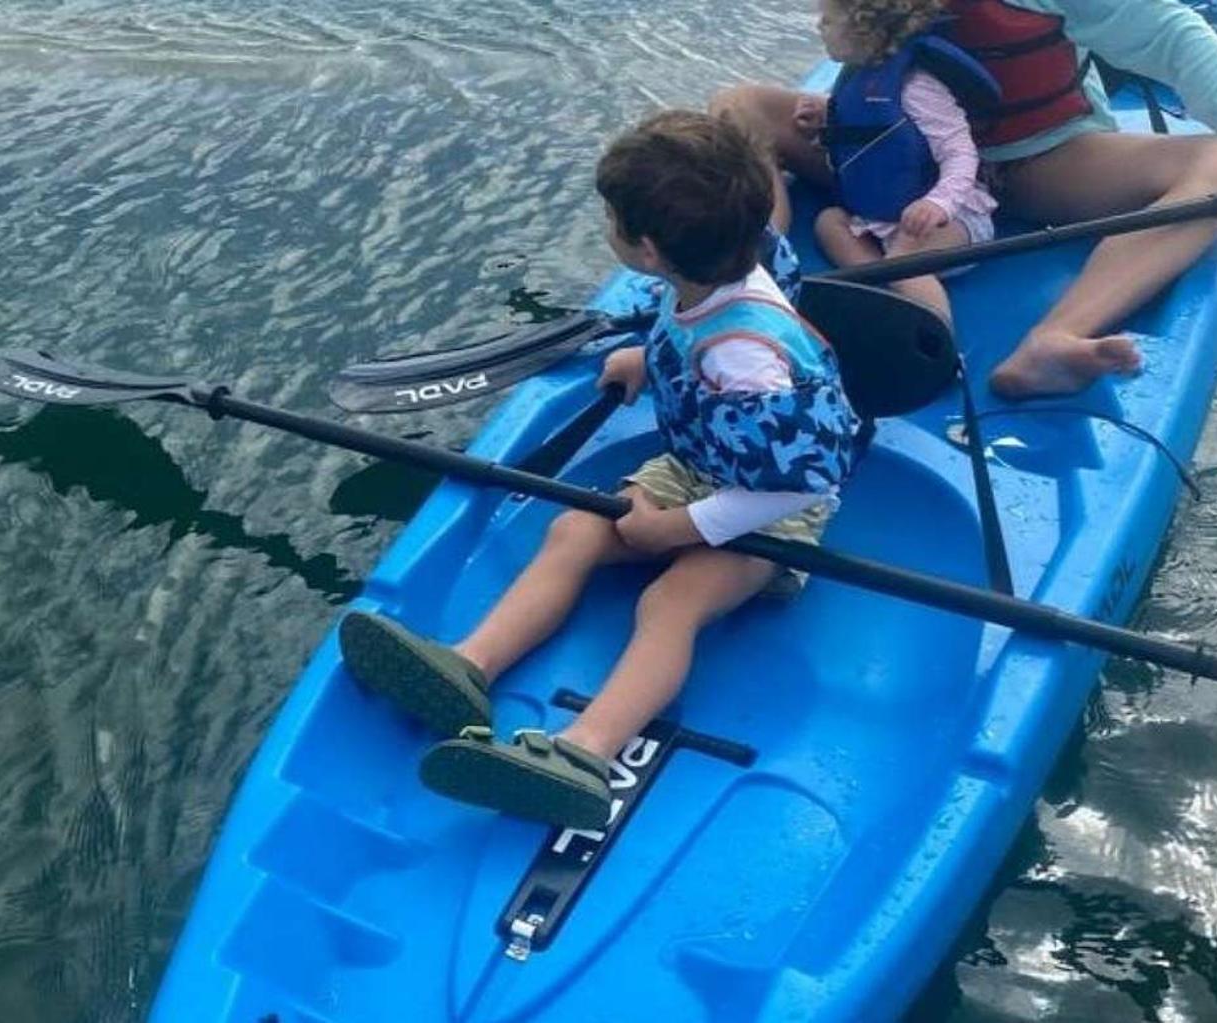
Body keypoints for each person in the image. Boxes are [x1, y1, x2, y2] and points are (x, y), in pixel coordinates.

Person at [337, 111, 863, 828]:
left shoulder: (747, 359)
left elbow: (798, 480)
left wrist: (678, 528)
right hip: (701, 462)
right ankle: (470, 665)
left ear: (647, 249)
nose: (608, 226)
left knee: (671, 602)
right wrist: (650, 356)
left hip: (769, 510)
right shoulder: (727, 266)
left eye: (612, 219)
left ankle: (587, 751)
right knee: (576, 530)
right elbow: (697, 328)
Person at [717, 0, 1217, 398]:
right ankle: (750, 277)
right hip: (903, 164)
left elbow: (1169, 34)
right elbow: (876, 54)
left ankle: (1054, 339)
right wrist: (839, 112)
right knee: (741, 108)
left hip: (1035, 164)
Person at [813, 0, 999, 326]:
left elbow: (960, 153)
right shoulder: (858, 77)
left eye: (827, 21)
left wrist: (938, 203)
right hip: (883, 219)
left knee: (904, 256)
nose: (819, 27)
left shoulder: (916, 87)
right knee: (829, 222)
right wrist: (819, 121)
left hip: (948, 220)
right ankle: (879, 284)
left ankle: (937, 338)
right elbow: (862, 134)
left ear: (864, 31)